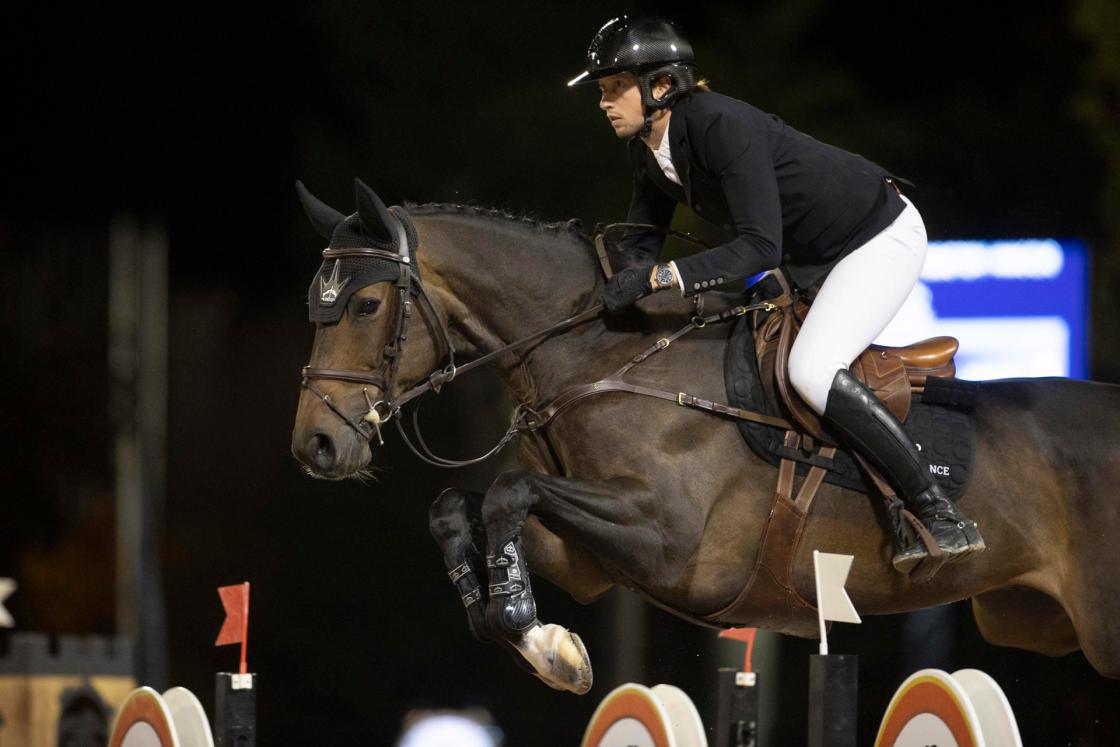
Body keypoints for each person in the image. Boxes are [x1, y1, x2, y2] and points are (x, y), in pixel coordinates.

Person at [568, 16, 985, 572]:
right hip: (809, 254)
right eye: (602, 89)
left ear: (661, 85)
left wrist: (661, 278)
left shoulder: (719, 125)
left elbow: (760, 247)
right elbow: (640, 245)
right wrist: (595, 297)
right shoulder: (648, 149)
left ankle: (936, 510)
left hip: (876, 236)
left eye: (614, 86)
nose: (604, 102)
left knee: (810, 369)